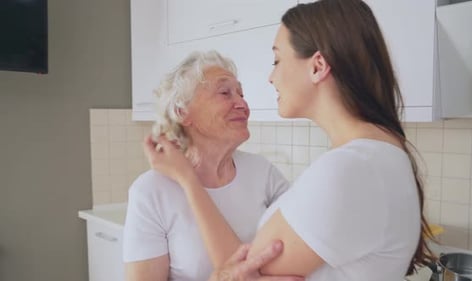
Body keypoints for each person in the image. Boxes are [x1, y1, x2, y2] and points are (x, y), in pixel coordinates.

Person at [144, 0, 435, 280]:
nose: (271, 77)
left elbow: (242, 272)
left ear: (317, 66)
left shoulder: (349, 169)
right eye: (224, 93)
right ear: (184, 113)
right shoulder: (377, 157)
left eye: (277, 59)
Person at [122, 50, 292, 281]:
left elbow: (294, 259)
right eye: (225, 93)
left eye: (241, 93)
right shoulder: (150, 192)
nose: (242, 103)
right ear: (183, 112)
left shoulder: (264, 174)